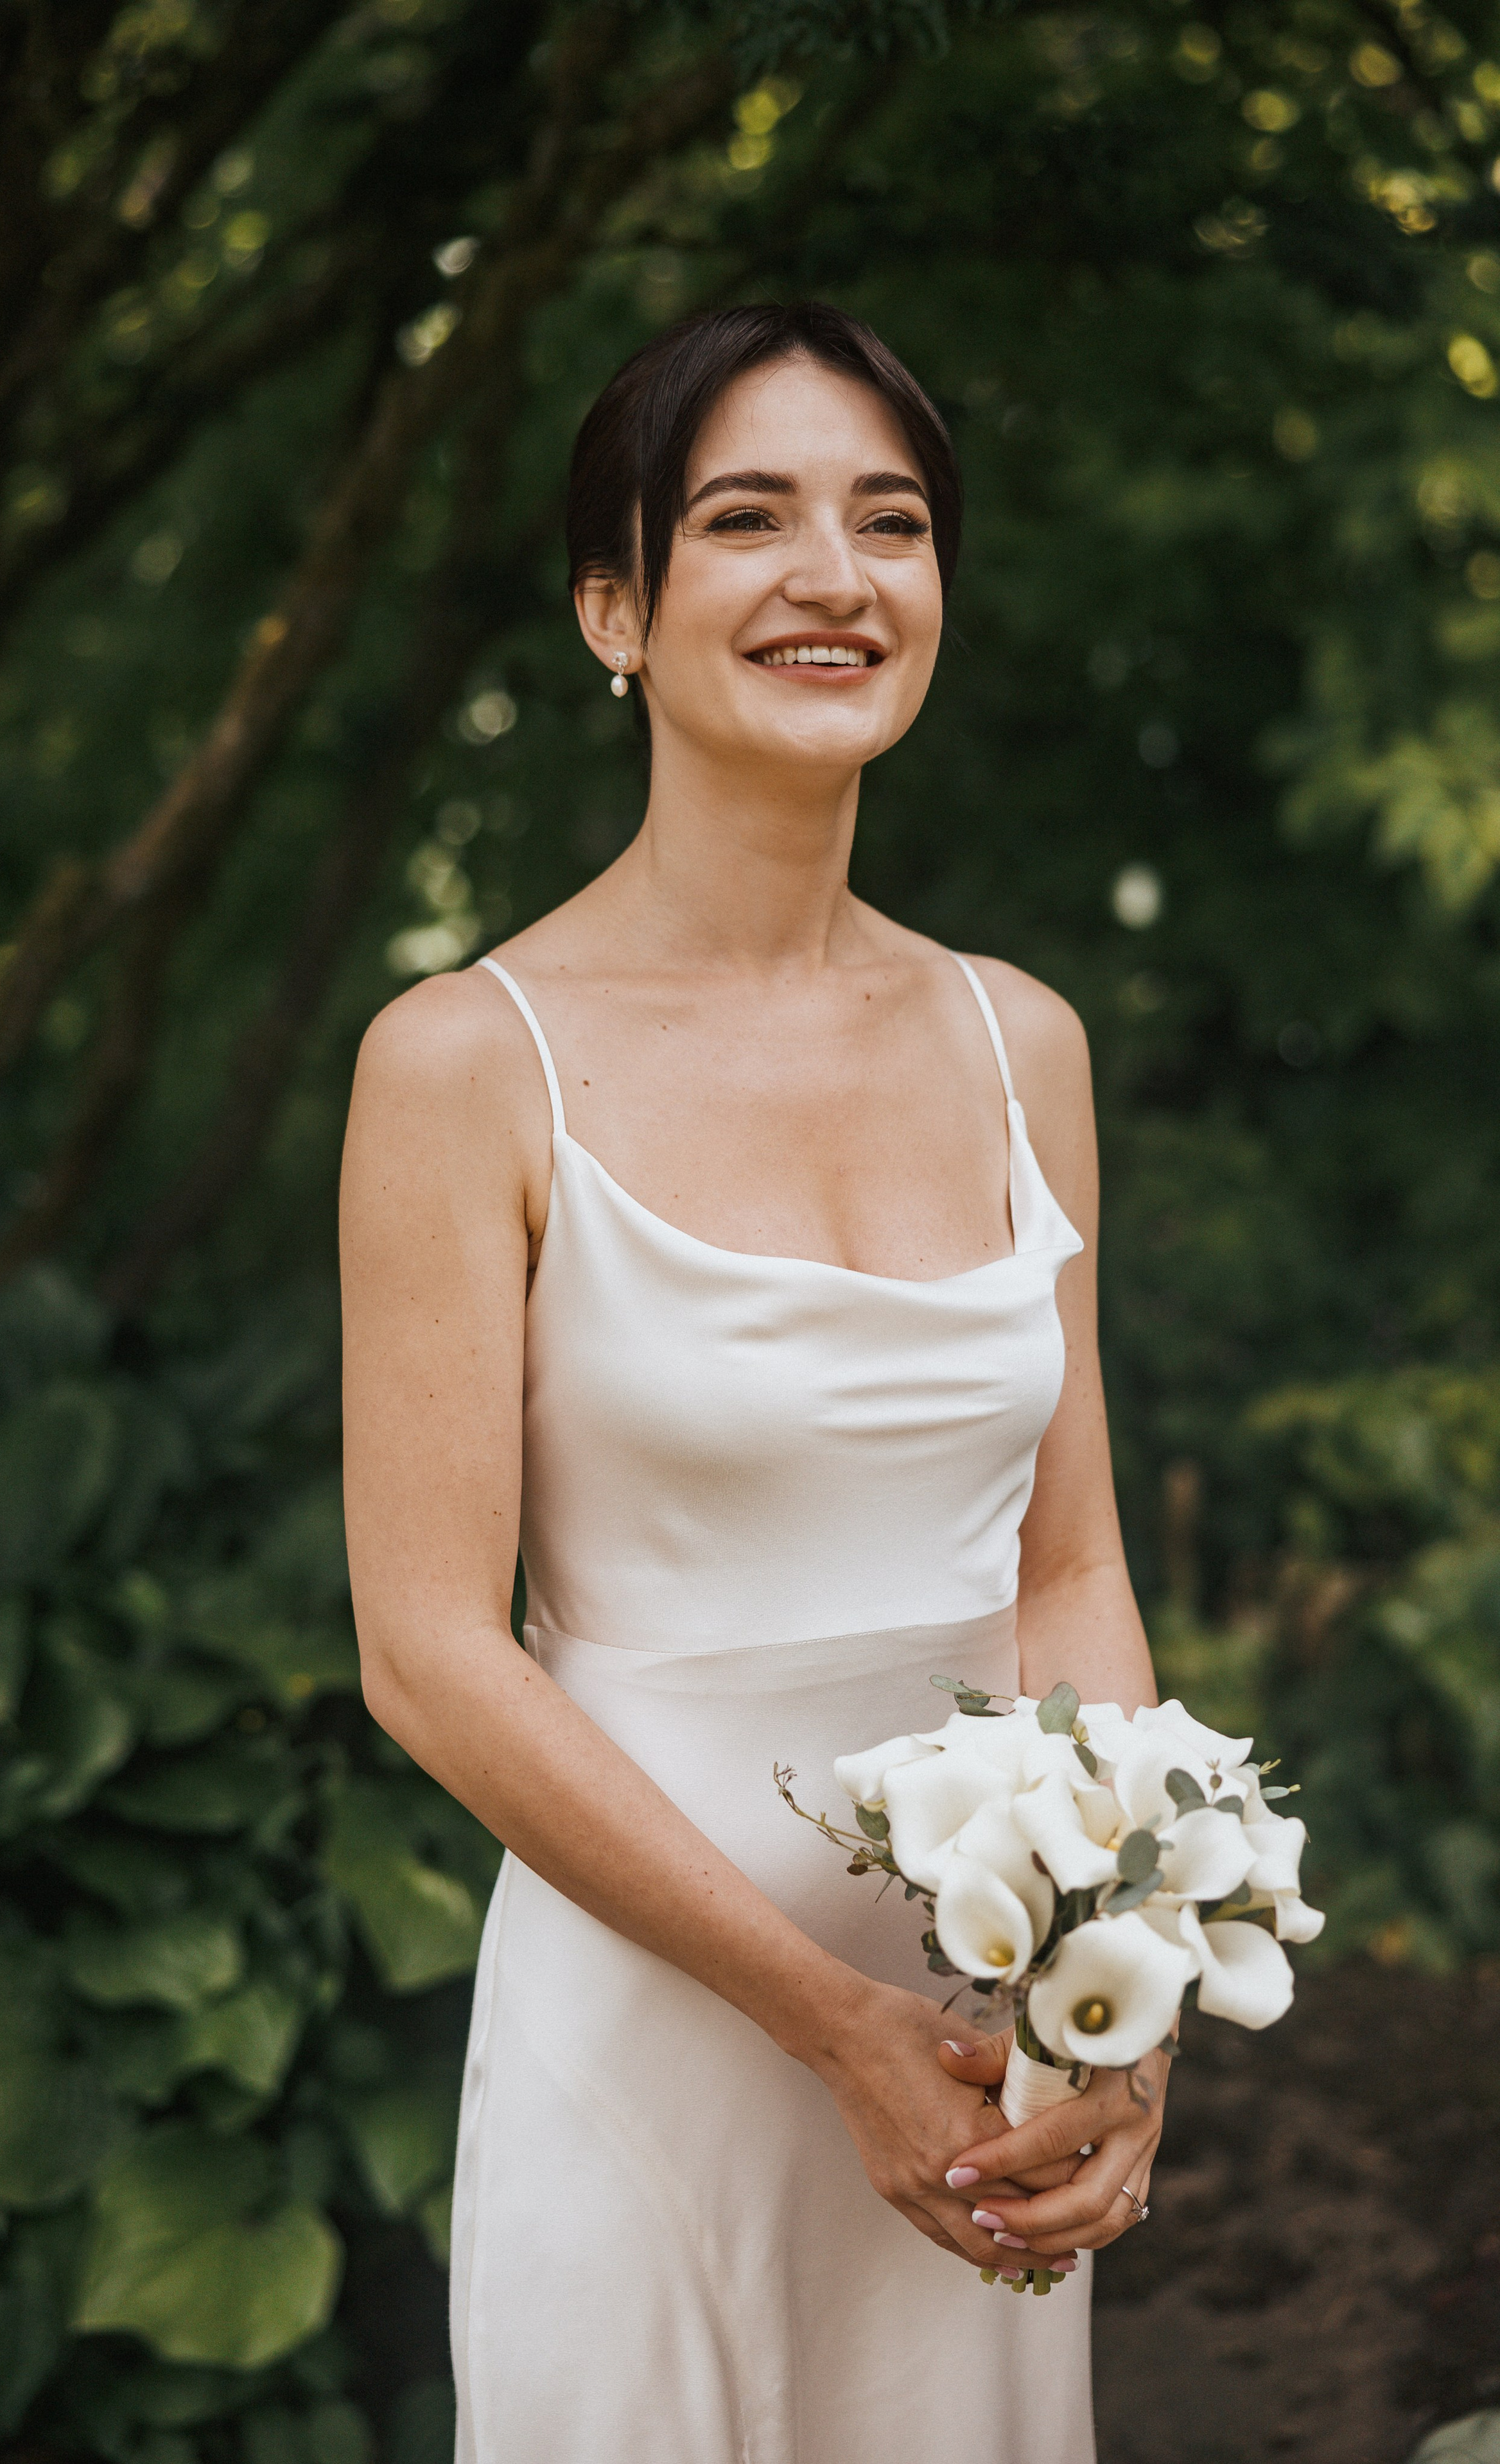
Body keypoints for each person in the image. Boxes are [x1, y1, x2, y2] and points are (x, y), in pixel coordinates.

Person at [341, 300, 1166, 2463]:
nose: (837, 575)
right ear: (616, 605)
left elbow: (1068, 1566)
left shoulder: (1024, 1043)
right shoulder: (463, 1063)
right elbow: (431, 1656)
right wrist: (831, 2028)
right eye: (747, 519)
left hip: (989, 2056)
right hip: (670, 2037)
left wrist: (1121, 1983)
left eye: (891, 522)